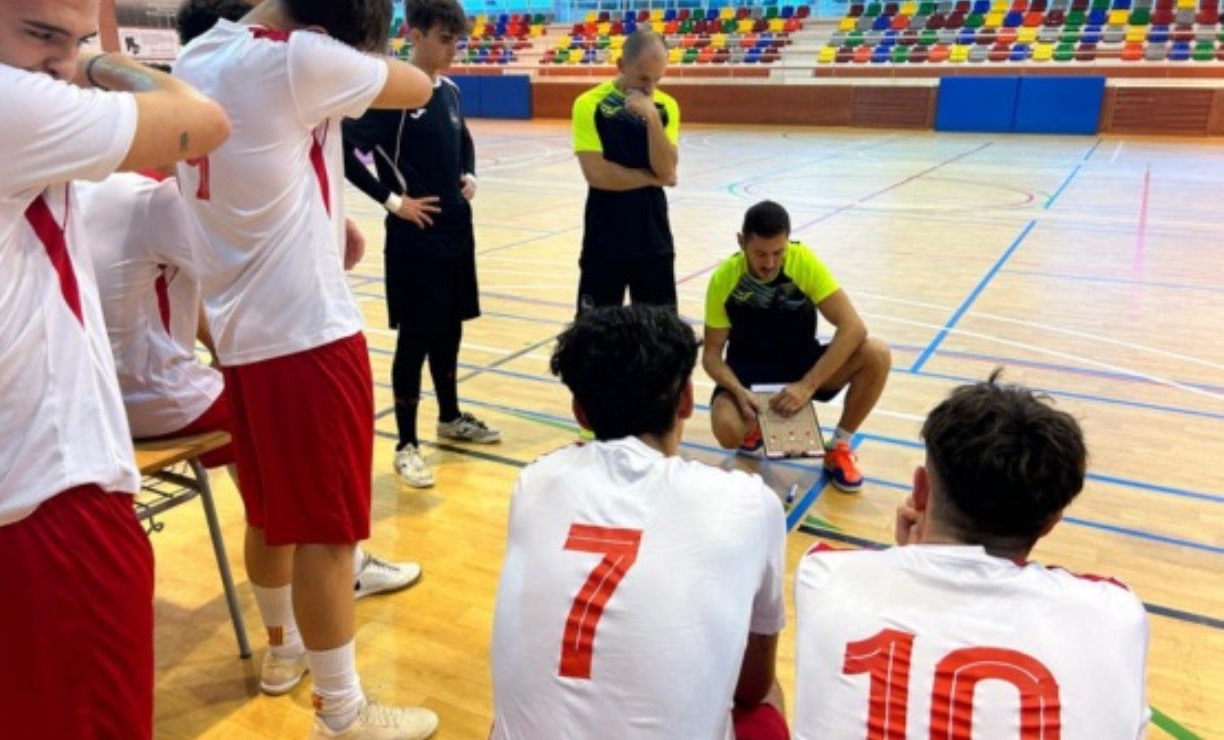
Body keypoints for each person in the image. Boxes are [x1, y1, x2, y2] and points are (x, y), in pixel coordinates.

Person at [0, 0, 230, 736]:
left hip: (2, 498)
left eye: (76, 39)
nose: (59, 64)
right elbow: (203, 119)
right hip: (55, 502)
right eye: (40, 35)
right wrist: (96, 64)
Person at [174, 1, 438, 737]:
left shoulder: (204, 53)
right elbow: (416, 84)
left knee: (271, 511)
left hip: (239, 336)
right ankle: (342, 712)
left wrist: (320, 213)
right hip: (308, 335)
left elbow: (263, 150)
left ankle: (283, 650)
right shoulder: (296, 60)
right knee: (329, 533)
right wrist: (352, 51)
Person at [79, 168, 422, 600]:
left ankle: (294, 613)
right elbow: (252, 270)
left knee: (248, 403)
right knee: (282, 424)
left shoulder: (78, 187)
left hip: (96, 404)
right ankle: (336, 568)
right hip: (154, 400)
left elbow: (200, 291)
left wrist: (221, 354)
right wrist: (324, 231)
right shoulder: (157, 200)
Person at [793, 372, 1150, 737]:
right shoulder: (1116, 614)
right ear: (1051, 522)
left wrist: (913, 557)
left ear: (920, 490)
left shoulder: (823, 575)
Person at [491, 305, 789, 740]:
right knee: (766, 697)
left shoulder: (534, 481)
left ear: (581, 412)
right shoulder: (749, 502)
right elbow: (752, 685)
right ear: (686, 399)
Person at [344, 0, 500, 491]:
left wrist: (468, 174)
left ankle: (450, 416)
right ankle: (405, 445)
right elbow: (348, 151)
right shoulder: (391, 95)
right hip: (415, 238)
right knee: (416, 337)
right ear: (415, 34)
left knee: (449, 328)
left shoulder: (450, 91)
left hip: (457, 230)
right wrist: (394, 202)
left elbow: (465, 140)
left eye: (457, 40)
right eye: (444, 39)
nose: (453, 50)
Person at [702, 200, 891, 493]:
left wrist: (807, 385)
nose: (770, 263)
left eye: (778, 252)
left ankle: (839, 446)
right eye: (760, 253)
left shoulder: (802, 260)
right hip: (748, 374)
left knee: (876, 354)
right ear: (741, 242)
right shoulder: (724, 278)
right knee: (727, 430)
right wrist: (739, 392)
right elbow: (712, 355)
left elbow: (853, 327)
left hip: (800, 365)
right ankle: (754, 429)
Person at [571, 30, 680, 314]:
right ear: (621, 65)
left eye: (657, 79)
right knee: (595, 335)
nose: (650, 88)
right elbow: (598, 174)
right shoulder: (589, 104)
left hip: (652, 234)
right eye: (643, 78)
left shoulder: (666, 106)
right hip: (604, 234)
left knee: (659, 337)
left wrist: (652, 117)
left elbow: (667, 170)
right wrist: (651, 178)